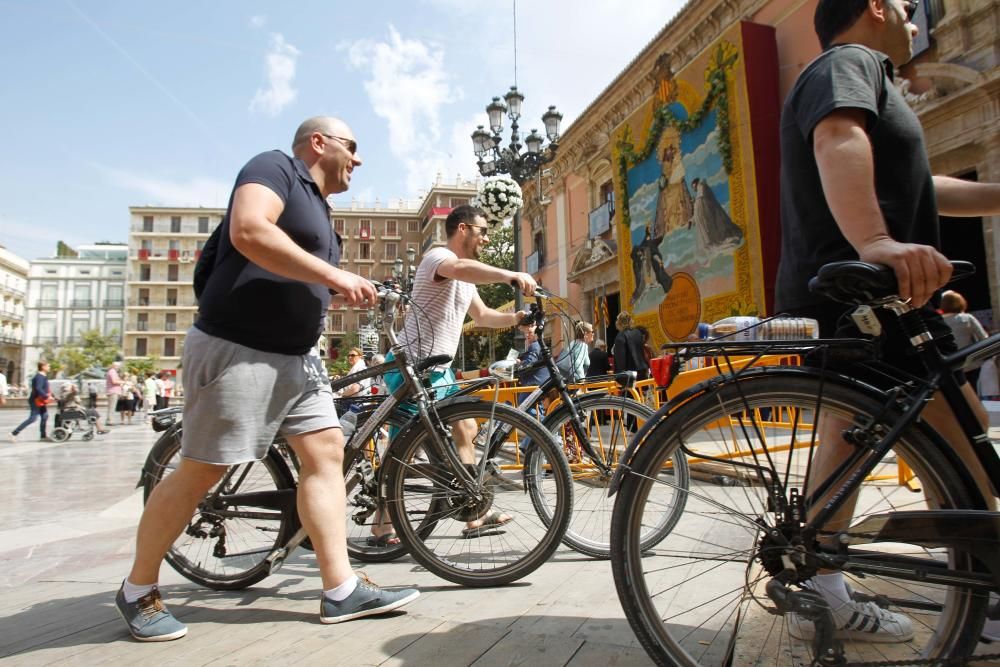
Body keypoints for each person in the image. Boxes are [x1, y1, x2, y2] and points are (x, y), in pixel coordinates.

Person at [115, 116, 418, 643]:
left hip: (298, 359)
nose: (360, 159)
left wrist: (337, 289)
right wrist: (333, 275)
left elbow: (295, 275)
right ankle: (137, 589)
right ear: (318, 143)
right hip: (239, 347)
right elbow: (249, 230)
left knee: (326, 453)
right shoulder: (274, 167)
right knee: (202, 471)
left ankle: (341, 589)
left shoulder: (323, 213)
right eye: (353, 147)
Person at [775, 0, 1000, 644]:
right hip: (863, 294)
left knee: (948, 428)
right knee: (925, 438)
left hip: (871, 295)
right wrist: (876, 241)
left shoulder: (862, 74)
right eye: (907, 6)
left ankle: (965, 584)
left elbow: (924, 185)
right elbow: (835, 137)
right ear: (875, 6)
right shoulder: (850, 63)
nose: (913, 17)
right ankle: (973, 595)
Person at [376, 204, 536, 544]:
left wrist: (515, 319)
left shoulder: (464, 279)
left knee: (466, 425)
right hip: (411, 368)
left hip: (438, 370)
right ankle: (382, 522)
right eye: (483, 231)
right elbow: (463, 267)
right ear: (462, 229)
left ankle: (473, 509)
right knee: (399, 449)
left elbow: (482, 316)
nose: (487, 238)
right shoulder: (438, 258)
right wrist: (510, 275)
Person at [940, 290, 989, 389]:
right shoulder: (967, 318)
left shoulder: (939, 321)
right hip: (971, 364)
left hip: (950, 367)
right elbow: (984, 338)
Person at [10, 361, 52, 442]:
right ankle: (14, 433)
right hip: (36, 400)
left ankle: (43, 436)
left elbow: (45, 388)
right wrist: (46, 396)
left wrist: (51, 395)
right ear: (43, 367)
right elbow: (38, 388)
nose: (49, 367)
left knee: (45, 416)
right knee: (33, 418)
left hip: (41, 400)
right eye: (48, 366)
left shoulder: (43, 376)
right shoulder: (39, 377)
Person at [612, 312, 650, 381]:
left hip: (630, 376)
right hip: (642, 371)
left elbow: (620, 359)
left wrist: (620, 376)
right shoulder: (638, 333)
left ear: (619, 323)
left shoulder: (620, 336)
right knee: (642, 391)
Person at [105, 361, 124, 425]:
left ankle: (109, 420)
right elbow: (114, 381)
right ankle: (110, 421)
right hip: (113, 391)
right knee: (112, 407)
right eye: (118, 366)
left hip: (113, 391)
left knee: (111, 407)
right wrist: (123, 382)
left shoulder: (112, 371)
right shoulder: (112, 372)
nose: (119, 368)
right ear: (114, 366)